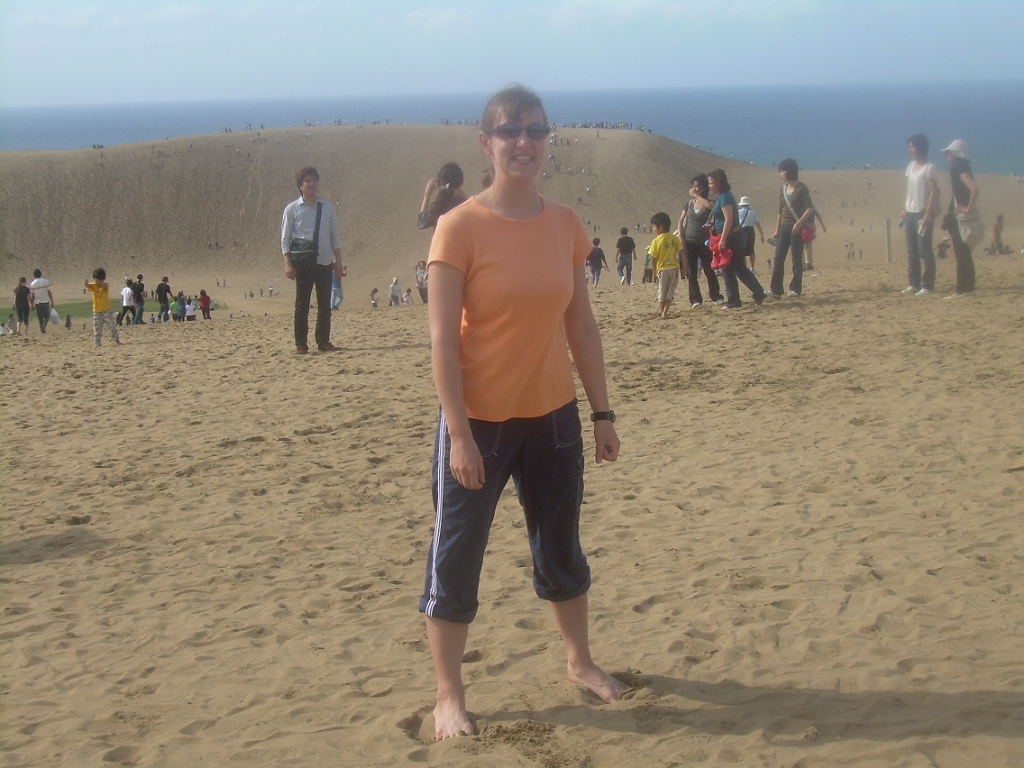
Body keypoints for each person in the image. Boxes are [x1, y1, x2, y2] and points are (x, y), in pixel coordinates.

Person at [423, 85, 626, 741]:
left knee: (562, 549)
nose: (524, 143)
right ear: (486, 143)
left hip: (554, 420)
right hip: (477, 423)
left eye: (536, 131)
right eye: (509, 131)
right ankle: (448, 696)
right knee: (456, 561)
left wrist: (601, 413)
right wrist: (458, 436)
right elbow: (441, 341)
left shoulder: (564, 223)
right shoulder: (459, 227)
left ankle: (579, 662)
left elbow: (583, 327)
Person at [281, 166, 344, 353]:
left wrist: (338, 262)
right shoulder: (292, 209)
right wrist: (287, 263)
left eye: (314, 180)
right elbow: (285, 239)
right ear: (300, 186)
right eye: (307, 181)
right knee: (302, 304)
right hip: (303, 263)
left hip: (324, 260)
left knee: (325, 304)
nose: (311, 184)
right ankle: (301, 343)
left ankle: (323, 341)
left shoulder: (327, 207)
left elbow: (334, 236)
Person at [697, 169, 766, 309]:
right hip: (734, 236)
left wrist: (722, 239)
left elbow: (729, 218)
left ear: (719, 182)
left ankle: (734, 301)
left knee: (727, 270)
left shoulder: (725, 197)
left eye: (711, 183)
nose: (710, 186)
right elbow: (721, 215)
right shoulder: (722, 196)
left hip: (731, 237)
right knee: (740, 269)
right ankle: (759, 293)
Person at [899, 134, 939, 296]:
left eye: (912, 147)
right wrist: (904, 209)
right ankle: (913, 283)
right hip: (910, 212)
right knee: (912, 251)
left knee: (925, 250)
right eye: (909, 146)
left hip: (923, 213)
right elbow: (910, 191)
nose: (910, 150)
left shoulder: (930, 167)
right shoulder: (910, 166)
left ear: (920, 148)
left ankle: (928, 285)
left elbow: (933, 192)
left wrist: (928, 213)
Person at [677, 174, 724, 308]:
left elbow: (710, 207)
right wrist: (681, 237)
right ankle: (695, 299)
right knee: (691, 273)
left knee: (709, 270)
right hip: (689, 242)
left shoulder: (710, 202)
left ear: (703, 188)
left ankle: (716, 296)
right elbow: (680, 221)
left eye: (697, 186)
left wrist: (697, 196)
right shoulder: (688, 204)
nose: (694, 188)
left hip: (704, 241)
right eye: (694, 186)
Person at [940, 139, 980, 298]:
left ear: (957, 153)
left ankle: (961, 289)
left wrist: (967, 208)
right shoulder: (964, 167)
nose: (947, 154)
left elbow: (975, 189)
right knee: (964, 253)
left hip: (960, 216)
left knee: (961, 254)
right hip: (961, 215)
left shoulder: (958, 168)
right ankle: (968, 288)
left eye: (950, 152)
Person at [770, 159, 814, 298]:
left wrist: (799, 223)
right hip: (784, 227)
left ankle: (795, 289)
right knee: (778, 259)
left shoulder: (802, 188)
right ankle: (776, 289)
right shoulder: (782, 189)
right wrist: (777, 229)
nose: (781, 174)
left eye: (782, 171)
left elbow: (810, 208)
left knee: (796, 260)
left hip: (797, 229)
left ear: (789, 171)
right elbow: (780, 210)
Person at [649, 212, 683, 318]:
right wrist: (684, 267)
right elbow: (682, 252)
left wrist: (654, 273)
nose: (654, 229)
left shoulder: (656, 240)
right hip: (674, 269)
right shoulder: (674, 238)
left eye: (654, 227)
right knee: (670, 292)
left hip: (662, 269)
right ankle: (665, 311)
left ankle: (662, 312)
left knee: (662, 292)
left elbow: (653, 259)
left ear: (661, 227)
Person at [418, 162, 467, 230]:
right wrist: (449, 184)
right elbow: (463, 197)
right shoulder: (465, 203)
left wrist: (427, 193)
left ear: (442, 182)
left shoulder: (439, 206)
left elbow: (421, 222)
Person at [84, 268, 120, 347]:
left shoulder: (105, 285)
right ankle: (97, 343)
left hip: (106, 309)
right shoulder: (93, 285)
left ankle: (116, 340)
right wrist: (86, 283)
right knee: (97, 328)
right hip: (96, 311)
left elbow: (104, 286)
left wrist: (99, 282)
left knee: (111, 326)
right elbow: (88, 286)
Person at [736, 196, 765, 273]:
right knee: (751, 249)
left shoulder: (738, 212)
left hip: (742, 230)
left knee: (742, 249)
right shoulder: (753, 212)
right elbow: (757, 224)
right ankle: (752, 268)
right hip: (751, 231)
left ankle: (743, 267)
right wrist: (761, 234)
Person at [29, 268, 54, 333]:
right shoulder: (46, 281)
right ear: (41, 274)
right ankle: (44, 325)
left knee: (40, 318)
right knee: (47, 317)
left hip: (37, 303)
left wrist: (32, 305)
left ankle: (42, 331)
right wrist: (52, 301)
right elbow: (49, 292)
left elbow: (32, 296)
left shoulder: (32, 284)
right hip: (45, 301)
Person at [802, 207, 827, 272]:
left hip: (803, 226)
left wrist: (822, 225)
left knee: (805, 245)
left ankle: (805, 264)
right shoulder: (811, 204)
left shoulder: (809, 203)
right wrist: (822, 225)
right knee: (807, 245)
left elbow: (817, 214)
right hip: (804, 226)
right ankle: (807, 264)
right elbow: (817, 214)